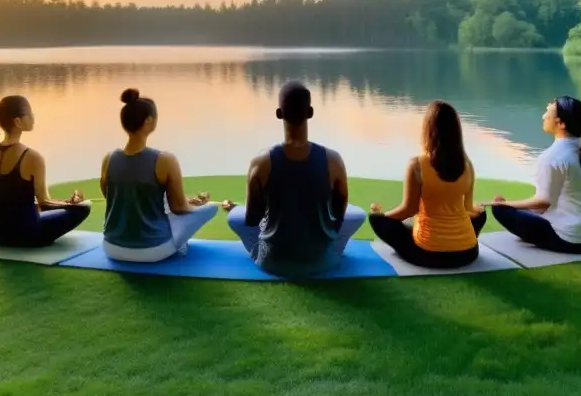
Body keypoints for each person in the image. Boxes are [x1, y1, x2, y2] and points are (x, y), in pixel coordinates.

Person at [220, 80, 366, 278]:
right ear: (310, 112)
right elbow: (338, 216)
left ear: (279, 114)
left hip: (273, 262)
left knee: (234, 217)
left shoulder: (261, 162)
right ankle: (325, 250)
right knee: (357, 214)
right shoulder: (334, 160)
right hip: (321, 261)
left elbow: (252, 218)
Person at [100, 88, 218, 262]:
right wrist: (196, 205)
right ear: (148, 121)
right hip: (153, 250)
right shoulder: (165, 160)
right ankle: (181, 243)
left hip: (111, 247)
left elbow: (111, 195)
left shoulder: (108, 159)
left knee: (167, 203)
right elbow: (179, 207)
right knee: (212, 208)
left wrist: (187, 201)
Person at [368, 100, 486, 269]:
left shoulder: (417, 165)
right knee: (481, 214)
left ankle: (378, 217)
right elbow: (468, 207)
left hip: (429, 254)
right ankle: (460, 240)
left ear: (428, 130)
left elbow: (409, 209)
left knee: (377, 220)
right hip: (468, 252)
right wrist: (481, 210)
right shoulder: (467, 165)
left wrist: (381, 216)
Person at [488, 95, 581, 254]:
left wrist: (505, 204)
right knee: (522, 209)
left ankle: (505, 208)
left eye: (548, 112)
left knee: (500, 210)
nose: (544, 116)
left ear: (561, 123)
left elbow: (543, 203)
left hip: (571, 240)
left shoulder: (553, 156)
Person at [0, 95, 91, 247]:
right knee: (84, 208)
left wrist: (66, 202)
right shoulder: (32, 157)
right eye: (29, 113)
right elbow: (44, 203)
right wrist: (73, 204)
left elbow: (8, 198)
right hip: (25, 233)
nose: (33, 117)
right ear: (18, 121)